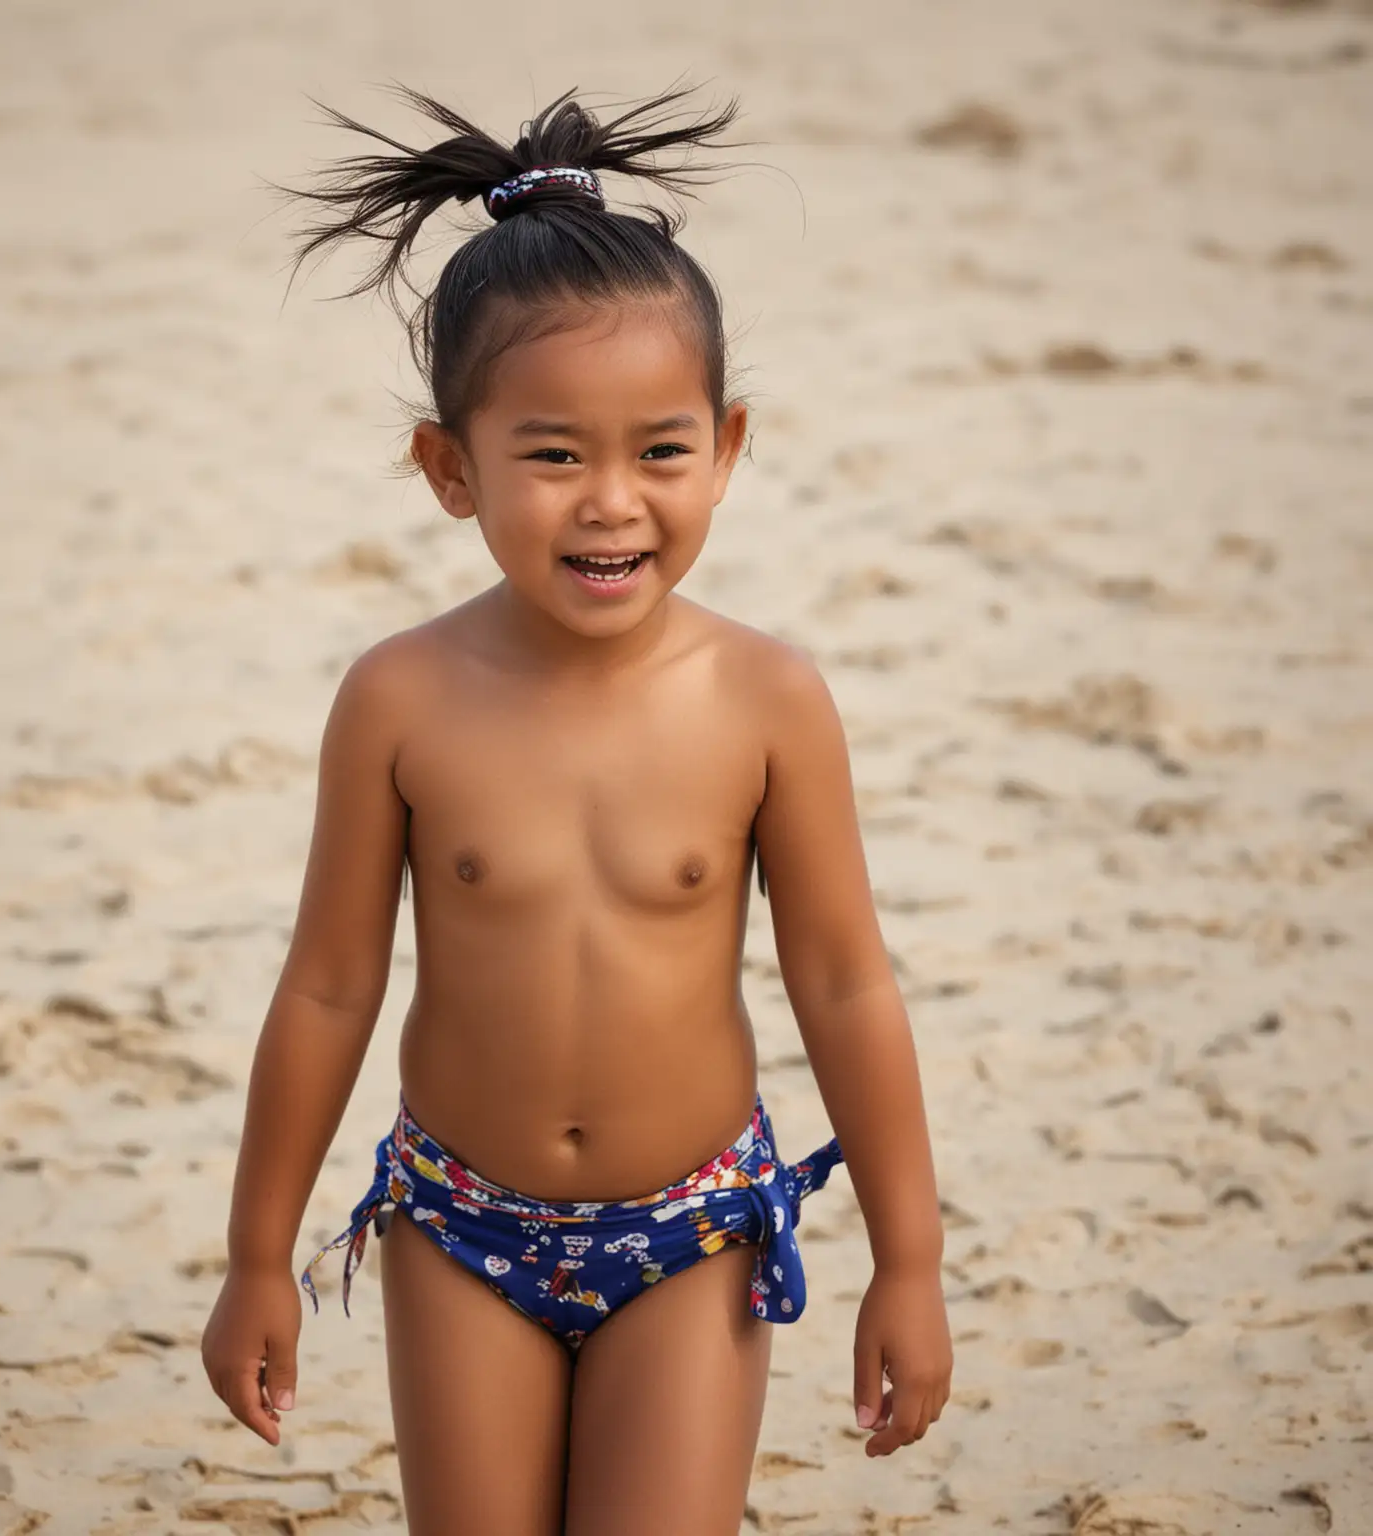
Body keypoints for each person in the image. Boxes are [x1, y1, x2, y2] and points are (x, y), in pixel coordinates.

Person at [201, 85, 952, 1536]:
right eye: (553, 456)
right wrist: (255, 1254)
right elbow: (330, 982)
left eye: (659, 451)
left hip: (690, 1233)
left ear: (726, 450)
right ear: (450, 468)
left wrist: (909, 1264)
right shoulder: (400, 700)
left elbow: (847, 980)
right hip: (455, 1223)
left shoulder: (768, 701)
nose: (611, 501)